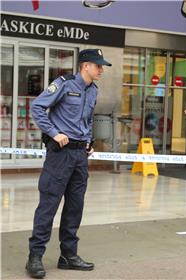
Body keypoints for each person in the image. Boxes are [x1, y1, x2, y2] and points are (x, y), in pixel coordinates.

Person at [26, 49, 112, 279]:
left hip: (79, 157)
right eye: (98, 65)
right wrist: (54, 133)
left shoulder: (93, 90)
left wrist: (89, 141)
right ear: (85, 66)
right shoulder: (64, 84)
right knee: (49, 205)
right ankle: (35, 257)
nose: (101, 69)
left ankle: (68, 256)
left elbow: (86, 120)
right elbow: (37, 107)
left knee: (75, 206)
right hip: (60, 154)